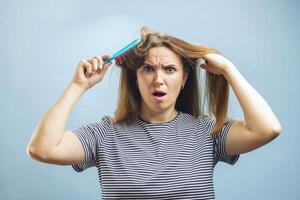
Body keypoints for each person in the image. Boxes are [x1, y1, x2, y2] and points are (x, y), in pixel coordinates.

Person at [26, 27, 282, 199]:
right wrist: (77, 86)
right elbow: (42, 149)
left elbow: (267, 129)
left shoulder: (207, 132)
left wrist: (228, 69)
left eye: (169, 70)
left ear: (184, 79)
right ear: (135, 78)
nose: (158, 79)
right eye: (148, 69)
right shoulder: (104, 135)